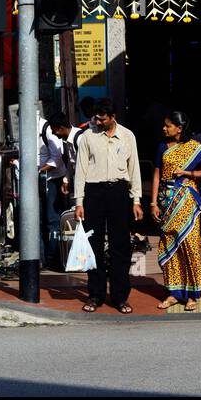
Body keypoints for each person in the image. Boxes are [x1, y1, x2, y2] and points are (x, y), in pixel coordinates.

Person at [74, 97, 143, 314]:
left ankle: (120, 296)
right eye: (96, 118)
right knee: (92, 245)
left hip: (119, 193)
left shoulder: (127, 136)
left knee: (120, 246)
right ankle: (95, 294)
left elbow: (135, 170)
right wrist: (79, 201)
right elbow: (80, 170)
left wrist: (136, 200)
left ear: (113, 117)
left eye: (102, 118)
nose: (98, 122)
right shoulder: (87, 136)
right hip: (94, 193)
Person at [151, 110, 201, 311]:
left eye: (168, 125)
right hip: (167, 202)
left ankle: (192, 294)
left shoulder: (195, 148)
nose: (164, 128)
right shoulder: (162, 147)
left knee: (190, 247)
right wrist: (153, 203)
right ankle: (173, 292)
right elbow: (157, 175)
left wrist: (188, 173)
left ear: (179, 128)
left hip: (186, 202)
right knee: (169, 247)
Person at [39, 112, 72, 269]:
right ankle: (43, 257)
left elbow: (57, 158)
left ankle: (54, 258)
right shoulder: (33, 129)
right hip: (43, 179)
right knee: (40, 220)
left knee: (52, 219)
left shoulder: (46, 129)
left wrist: (39, 170)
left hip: (52, 179)